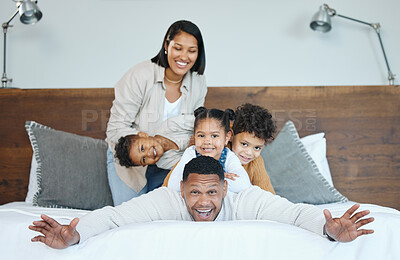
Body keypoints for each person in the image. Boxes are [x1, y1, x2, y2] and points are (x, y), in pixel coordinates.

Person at [29, 156, 375, 249]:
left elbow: (294, 214)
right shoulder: (166, 200)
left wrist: (328, 229)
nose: (204, 202)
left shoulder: (247, 198)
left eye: (212, 192)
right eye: (194, 192)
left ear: (225, 188)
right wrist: (74, 235)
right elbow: (116, 218)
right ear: (182, 190)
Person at [105, 20, 207, 204]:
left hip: (170, 161)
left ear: (198, 53)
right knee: (132, 215)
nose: (184, 56)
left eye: (191, 50)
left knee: (168, 213)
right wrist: (149, 143)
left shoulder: (198, 83)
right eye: (178, 48)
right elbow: (114, 130)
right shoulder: (141, 75)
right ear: (166, 46)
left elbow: (196, 125)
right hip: (132, 161)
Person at [164, 107, 252, 193]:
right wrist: (218, 178)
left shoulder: (228, 156)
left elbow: (243, 185)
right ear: (194, 136)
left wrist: (195, 180)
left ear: (227, 137)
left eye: (214, 136)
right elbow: (174, 185)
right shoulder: (191, 153)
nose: (207, 141)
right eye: (201, 136)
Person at [230, 103, 276, 194]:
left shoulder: (256, 162)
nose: (249, 153)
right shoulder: (219, 148)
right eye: (244, 144)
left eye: (257, 148)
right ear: (230, 135)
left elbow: (268, 194)